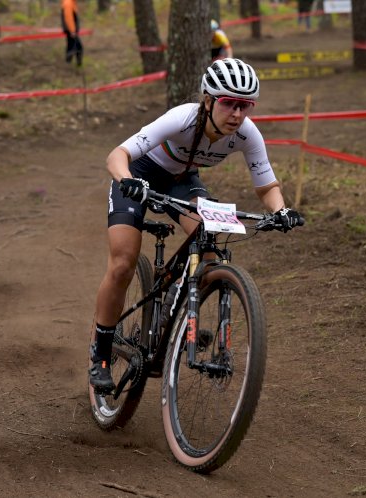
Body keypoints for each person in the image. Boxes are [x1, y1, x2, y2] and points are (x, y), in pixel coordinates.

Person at [89, 58, 303, 392]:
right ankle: (100, 354)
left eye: (245, 105)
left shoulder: (247, 134)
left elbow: (266, 186)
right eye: (229, 103)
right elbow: (117, 156)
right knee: (122, 263)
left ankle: (180, 301)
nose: (237, 113)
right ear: (208, 100)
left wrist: (281, 210)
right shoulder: (183, 118)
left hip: (182, 180)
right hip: (141, 175)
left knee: (209, 238)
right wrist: (128, 181)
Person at [61, 0, 83, 66]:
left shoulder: (71, 2)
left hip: (70, 29)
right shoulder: (68, 3)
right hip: (70, 30)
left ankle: (68, 63)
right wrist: (72, 30)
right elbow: (68, 18)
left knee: (71, 45)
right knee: (78, 47)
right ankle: (77, 64)